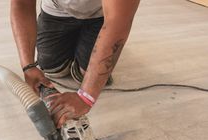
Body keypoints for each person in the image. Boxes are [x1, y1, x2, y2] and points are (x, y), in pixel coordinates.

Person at [10, 0, 140, 128]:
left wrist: (86, 96)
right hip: (57, 11)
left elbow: (117, 21)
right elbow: (22, 4)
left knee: (85, 75)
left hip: (101, 15)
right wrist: (28, 66)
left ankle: (94, 41)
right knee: (52, 67)